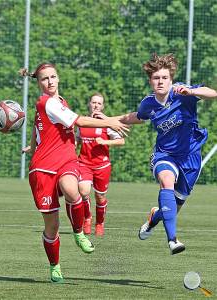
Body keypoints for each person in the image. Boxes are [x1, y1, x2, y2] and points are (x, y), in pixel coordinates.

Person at [96, 53, 217, 255]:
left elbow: (211, 93)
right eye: (156, 78)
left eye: (164, 78)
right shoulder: (148, 104)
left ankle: (154, 219)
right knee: (167, 181)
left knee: (173, 207)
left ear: (171, 79)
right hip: (164, 154)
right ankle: (173, 240)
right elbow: (135, 116)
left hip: (191, 157)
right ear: (150, 81)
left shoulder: (181, 93)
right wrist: (109, 119)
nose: (160, 81)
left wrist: (191, 91)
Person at [19, 63, 129, 283]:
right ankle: (55, 266)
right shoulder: (46, 102)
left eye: (53, 77)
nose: (50, 81)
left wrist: (32, 144)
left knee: (73, 189)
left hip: (66, 160)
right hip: (42, 169)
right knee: (52, 227)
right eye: (44, 79)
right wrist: (109, 121)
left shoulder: (59, 102)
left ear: (58, 78)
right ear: (39, 83)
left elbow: (37, 126)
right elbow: (77, 120)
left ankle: (79, 233)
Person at [76, 93, 125, 236]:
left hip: (102, 166)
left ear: (102, 106)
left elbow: (121, 141)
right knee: (84, 192)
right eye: (93, 102)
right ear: (89, 104)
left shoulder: (107, 124)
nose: (96, 105)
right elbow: (77, 140)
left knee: (100, 197)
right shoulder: (83, 122)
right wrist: (73, 146)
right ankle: (87, 218)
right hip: (84, 163)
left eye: (99, 103)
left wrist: (105, 142)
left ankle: (100, 223)